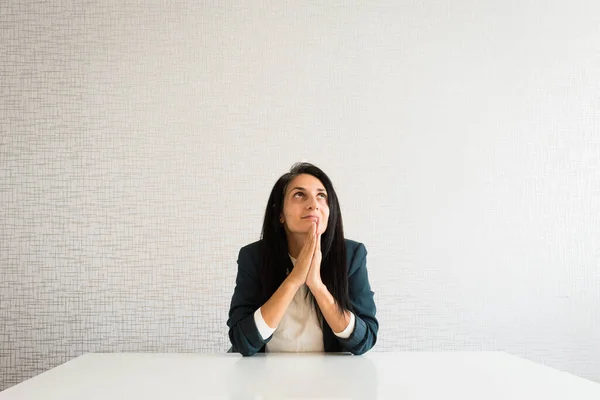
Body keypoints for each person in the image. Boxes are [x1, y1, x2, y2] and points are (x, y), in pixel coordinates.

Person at [227, 162, 378, 356]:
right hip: (265, 376)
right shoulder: (253, 257)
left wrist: (317, 286)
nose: (313, 204)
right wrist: (294, 280)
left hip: (332, 377)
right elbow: (242, 342)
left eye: (321, 196)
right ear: (280, 213)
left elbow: (364, 340)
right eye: (299, 194)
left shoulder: (351, 255)